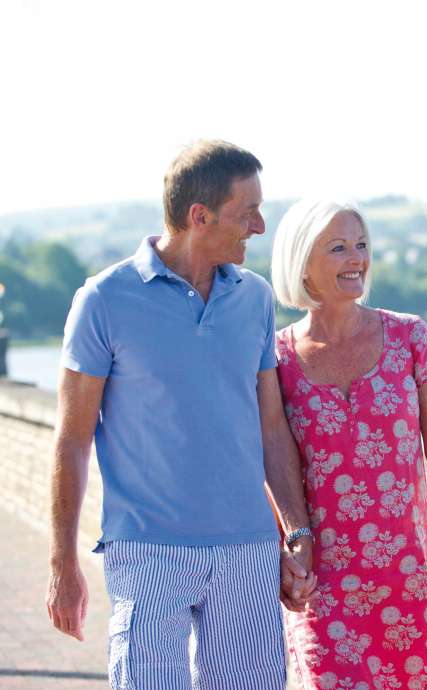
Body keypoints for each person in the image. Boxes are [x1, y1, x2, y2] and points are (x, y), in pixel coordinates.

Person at [45, 140, 315, 690]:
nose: (259, 226)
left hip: (247, 550)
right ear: (200, 216)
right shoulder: (103, 300)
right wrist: (62, 565)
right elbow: (72, 440)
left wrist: (296, 529)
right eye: (247, 213)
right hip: (147, 550)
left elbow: (270, 426)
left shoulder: (255, 299)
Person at [270, 200, 427, 689]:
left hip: (406, 577)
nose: (357, 259)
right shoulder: (275, 357)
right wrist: (288, 544)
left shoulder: (410, 338)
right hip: (322, 582)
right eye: (339, 247)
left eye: (362, 245)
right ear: (302, 261)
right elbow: (273, 457)